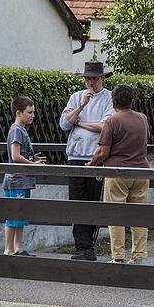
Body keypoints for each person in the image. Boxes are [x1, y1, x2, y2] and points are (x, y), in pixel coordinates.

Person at [86, 83, 149, 264]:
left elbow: (102, 152)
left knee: (115, 215)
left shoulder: (112, 121)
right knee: (139, 215)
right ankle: (139, 255)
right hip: (141, 171)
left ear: (113, 101)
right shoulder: (142, 118)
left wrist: (91, 164)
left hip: (117, 172)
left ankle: (118, 256)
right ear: (132, 100)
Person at [59, 61, 114, 261]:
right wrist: (81, 105)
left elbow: (105, 126)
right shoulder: (76, 97)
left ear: (102, 78)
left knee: (93, 202)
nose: (90, 82)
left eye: (94, 78)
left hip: (95, 157)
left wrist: (80, 122)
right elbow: (64, 124)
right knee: (76, 202)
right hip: (74, 156)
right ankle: (82, 247)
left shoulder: (108, 98)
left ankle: (88, 245)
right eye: (87, 78)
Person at [3, 96, 46, 256]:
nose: (33, 115)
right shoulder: (16, 130)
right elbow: (15, 156)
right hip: (16, 180)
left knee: (20, 214)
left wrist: (34, 159)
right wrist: (33, 164)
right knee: (13, 215)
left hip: (23, 180)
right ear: (19, 113)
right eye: (30, 112)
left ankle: (18, 247)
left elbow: (21, 153)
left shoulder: (22, 130)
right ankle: (9, 248)